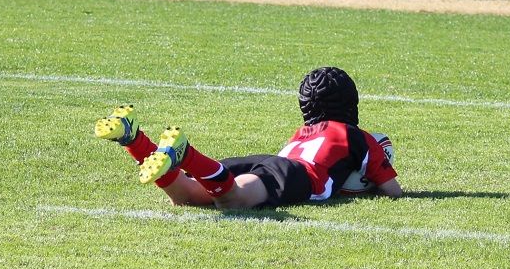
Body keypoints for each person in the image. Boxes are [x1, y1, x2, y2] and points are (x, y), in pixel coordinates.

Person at [94, 67, 403, 209]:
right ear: (350, 102)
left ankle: (133, 138)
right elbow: (393, 192)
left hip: (270, 161)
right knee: (233, 200)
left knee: (186, 196)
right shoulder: (358, 137)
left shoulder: (303, 133)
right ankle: (185, 153)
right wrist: (364, 184)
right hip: (295, 174)